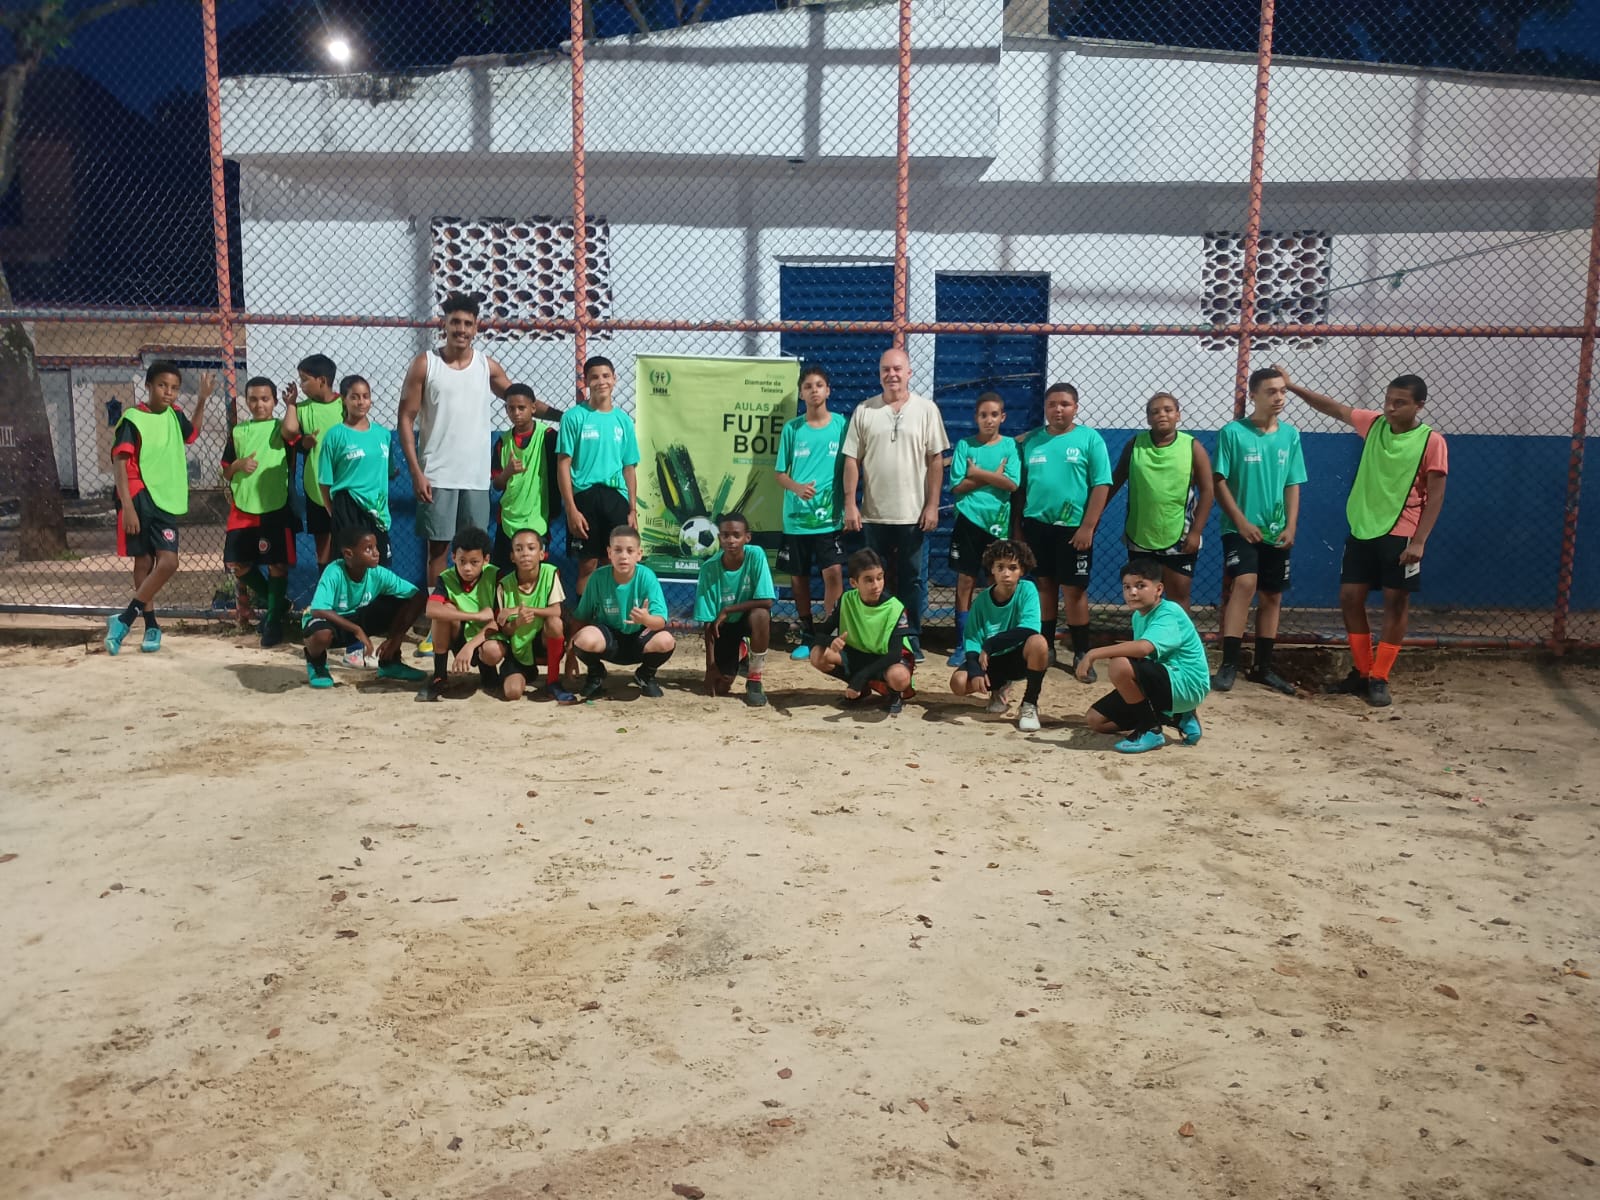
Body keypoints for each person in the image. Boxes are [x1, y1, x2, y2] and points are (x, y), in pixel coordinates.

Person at [1280, 364, 1448, 707]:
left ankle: (1380, 676)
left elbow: (1436, 495)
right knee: (1349, 597)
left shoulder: (1432, 442)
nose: (1390, 408)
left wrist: (1419, 541)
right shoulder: (1374, 424)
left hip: (1402, 530)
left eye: (1400, 403)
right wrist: (1293, 386)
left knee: (1395, 602)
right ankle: (1361, 670)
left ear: (1419, 406)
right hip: (1363, 527)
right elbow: (1333, 407)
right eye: (1388, 400)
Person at [398, 292, 560, 594]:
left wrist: (565, 416)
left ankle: (473, 609)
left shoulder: (487, 367)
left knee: (475, 550)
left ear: (476, 328)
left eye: (467, 323)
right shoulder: (426, 364)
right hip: (437, 475)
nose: (461, 329)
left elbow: (523, 399)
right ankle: (437, 613)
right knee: (438, 550)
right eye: (455, 322)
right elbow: (405, 419)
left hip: (475, 478)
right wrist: (416, 472)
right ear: (445, 325)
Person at [842, 347, 950, 661]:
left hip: (913, 515)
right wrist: (850, 504)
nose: (892, 374)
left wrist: (932, 505)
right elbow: (852, 460)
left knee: (912, 580)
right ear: (879, 374)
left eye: (897, 369)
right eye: (886, 369)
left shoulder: (927, 410)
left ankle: (910, 637)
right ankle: (880, 636)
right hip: (874, 515)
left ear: (909, 373)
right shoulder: (865, 410)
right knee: (876, 579)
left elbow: (936, 460)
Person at [104, 362, 213, 656]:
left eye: (174, 388)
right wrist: (127, 507)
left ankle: (124, 619)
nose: (169, 392)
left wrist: (202, 399)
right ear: (149, 386)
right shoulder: (132, 419)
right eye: (163, 385)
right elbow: (120, 464)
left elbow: (192, 434)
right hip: (138, 494)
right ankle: (151, 624)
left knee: (168, 562)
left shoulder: (175, 414)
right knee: (143, 561)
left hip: (164, 496)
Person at [1211, 367, 1307, 695]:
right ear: (1253, 395)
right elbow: (1219, 480)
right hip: (1240, 527)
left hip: (1276, 529)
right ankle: (1229, 664)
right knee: (1244, 583)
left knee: (1272, 594)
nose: (1279, 397)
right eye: (1271, 391)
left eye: (1282, 391)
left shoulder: (1290, 436)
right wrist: (1240, 521)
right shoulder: (1232, 433)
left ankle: (1263, 668)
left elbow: (1293, 483)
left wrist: (1291, 525)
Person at [1018, 382, 1111, 678]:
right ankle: (1046, 646)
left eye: (1065, 404)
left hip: (1073, 530)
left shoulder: (1090, 439)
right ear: (1045, 408)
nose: (1058, 409)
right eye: (1052, 404)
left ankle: (1081, 652)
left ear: (1076, 408)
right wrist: (1019, 529)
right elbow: (1020, 488)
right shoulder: (1032, 441)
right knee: (1044, 586)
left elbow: (1101, 485)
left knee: (1074, 590)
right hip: (1037, 527)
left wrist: (1088, 527)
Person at [1078, 558, 1208, 753]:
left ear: (1159, 589)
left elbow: (1143, 649)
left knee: (1119, 664)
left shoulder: (1169, 612)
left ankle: (1150, 729)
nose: (1132, 592)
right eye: (1127, 587)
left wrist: (1093, 653)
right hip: (1166, 683)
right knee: (1096, 720)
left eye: (1140, 586)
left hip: (1187, 684)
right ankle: (1176, 717)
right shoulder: (1138, 616)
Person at [1108, 392, 1213, 611]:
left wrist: (1196, 532)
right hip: (1141, 534)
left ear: (1178, 415)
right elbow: (1115, 481)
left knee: (1178, 596)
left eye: (1168, 410)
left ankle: (1177, 635)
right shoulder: (1135, 445)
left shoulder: (1192, 447)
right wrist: (1093, 516)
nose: (1162, 415)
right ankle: (1146, 633)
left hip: (1179, 534)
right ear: (1148, 418)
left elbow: (1207, 491)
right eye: (1155, 412)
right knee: (1141, 596)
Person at [774, 364, 847, 659]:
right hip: (797, 519)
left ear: (828, 390)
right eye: (808, 386)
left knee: (834, 573)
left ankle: (829, 633)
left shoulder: (841, 425)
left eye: (819, 385)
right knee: (799, 576)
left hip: (829, 518)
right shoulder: (792, 429)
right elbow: (780, 474)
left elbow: (852, 465)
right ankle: (806, 633)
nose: (814, 390)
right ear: (801, 394)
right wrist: (797, 487)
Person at [221, 376, 299, 648]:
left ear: (274, 401)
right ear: (247, 401)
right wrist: (238, 465)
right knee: (238, 564)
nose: (259, 404)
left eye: (265, 399)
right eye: (253, 399)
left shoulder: (281, 428)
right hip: (243, 506)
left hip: (274, 505)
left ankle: (274, 621)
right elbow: (226, 470)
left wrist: (291, 405)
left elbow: (292, 432)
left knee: (277, 565)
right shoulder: (238, 431)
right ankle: (278, 604)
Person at [946, 391, 1021, 666]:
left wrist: (977, 473)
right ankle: (962, 643)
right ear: (975, 418)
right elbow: (957, 486)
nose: (989, 420)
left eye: (994, 415)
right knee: (965, 581)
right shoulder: (965, 446)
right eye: (983, 415)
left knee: (996, 581)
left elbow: (1012, 484)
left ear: (1003, 417)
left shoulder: (1010, 446)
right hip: (968, 521)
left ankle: (994, 641)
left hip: (997, 525)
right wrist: (993, 476)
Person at [301, 528, 427, 689]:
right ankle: (316, 663)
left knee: (404, 601)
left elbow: (418, 596)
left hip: (357, 618)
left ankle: (390, 661)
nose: (376, 553)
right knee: (322, 634)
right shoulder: (334, 571)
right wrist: (357, 630)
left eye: (376, 547)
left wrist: (395, 639)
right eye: (368, 548)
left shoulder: (378, 573)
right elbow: (318, 610)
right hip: (330, 622)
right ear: (348, 554)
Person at [557, 356, 640, 595]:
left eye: (606, 376)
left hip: (616, 499)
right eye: (594, 377)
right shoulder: (573, 417)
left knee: (615, 563)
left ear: (614, 379)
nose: (601, 381)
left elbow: (629, 468)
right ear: (585, 381)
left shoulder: (623, 421)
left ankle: (612, 616)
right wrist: (571, 509)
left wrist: (632, 509)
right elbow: (563, 465)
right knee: (588, 566)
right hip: (585, 498)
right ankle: (585, 617)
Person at [947, 539, 1049, 733]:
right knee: (958, 683)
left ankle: (1029, 704)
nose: (1006, 573)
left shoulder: (1027, 590)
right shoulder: (982, 600)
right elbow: (972, 638)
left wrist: (991, 644)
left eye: (1013, 568)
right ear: (992, 569)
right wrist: (975, 669)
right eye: (1000, 567)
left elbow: (1029, 628)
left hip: (1018, 657)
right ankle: (999, 687)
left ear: (1022, 570)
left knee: (1039, 643)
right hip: (992, 660)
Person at [570, 525, 674, 699]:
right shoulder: (597, 578)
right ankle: (596, 674)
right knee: (583, 639)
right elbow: (581, 617)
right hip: (609, 639)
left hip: (638, 640)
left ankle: (645, 675)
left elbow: (661, 621)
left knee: (666, 640)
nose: (623, 556)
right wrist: (570, 655)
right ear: (609, 553)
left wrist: (646, 619)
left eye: (630, 551)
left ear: (639, 554)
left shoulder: (647, 576)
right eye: (618, 550)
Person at [808, 547, 915, 715]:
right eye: (868, 580)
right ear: (854, 583)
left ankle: (893, 694)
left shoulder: (895, 607)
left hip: (885, 659)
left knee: (900, 677)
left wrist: (860, 677)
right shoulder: (846, 600)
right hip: (857, 655)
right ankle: (863, 689)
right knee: (817, 654)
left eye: (879, 578)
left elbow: (894, 654)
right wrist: (831, 641)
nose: (876, 585)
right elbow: (819, 635)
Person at [695, 512, 776, 707]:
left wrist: (728, 609)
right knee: (721, 687)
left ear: (747, 537)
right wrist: (710, 667)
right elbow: (709, 623)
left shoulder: (755, 555)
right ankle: (742, 651)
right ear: (719, 537)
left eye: (736, 535)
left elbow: (767, 601)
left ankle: (754, 679)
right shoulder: (709, 568)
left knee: (761, 615)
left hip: (749, 619)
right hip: (726, 626)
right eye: (725, 535)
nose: (731, 540)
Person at [315, 375, 396, 567]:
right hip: (348, 508)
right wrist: (334, 512)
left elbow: (388, 471)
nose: (361, 402)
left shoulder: (383, 435)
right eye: (354, 397)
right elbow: (324, 482)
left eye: (365, 396)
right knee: (352, 568)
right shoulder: (334, 436)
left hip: (378, 512)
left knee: (379, 566)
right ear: (344, 399)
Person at [419, 526, 504, 701]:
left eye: (474, 562)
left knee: (493, 650)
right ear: (453, 558)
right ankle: (439, 676)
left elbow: (498, 621)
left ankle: (488, 672)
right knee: (443, 613)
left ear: (486, 559)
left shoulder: (496, 576)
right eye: (462, 561)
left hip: (485, 637)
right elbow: (431, 610)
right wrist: (476, 616)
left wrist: (470, 646)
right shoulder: (446, 577)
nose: (467, 568)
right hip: (459, 635)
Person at [492, 528, 573, 703]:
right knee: (512, 693)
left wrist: (520, 610)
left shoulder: (550, 573)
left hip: (542, 640)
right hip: (519, 648)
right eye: (518, 549)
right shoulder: (504, 585)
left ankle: (553, 681)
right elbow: (505, 630)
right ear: (512, 557)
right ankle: (523, 673)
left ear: (542, 554)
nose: (525, 554)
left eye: (531, 548)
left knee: (554, 623)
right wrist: (517, 623)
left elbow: (556, 611)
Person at [280, 352, 342, 568]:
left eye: (305, 380)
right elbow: (288, 432)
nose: (301, 385)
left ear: (322, 380)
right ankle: (324, 586)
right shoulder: (303, 408)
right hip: (315, 486)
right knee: (323, 544)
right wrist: (291, 404)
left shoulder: (344, 405)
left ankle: (350, 588)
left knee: (349, 543)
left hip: (345, 486)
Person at [490, 383, 558, 570]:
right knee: (504, 573)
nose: (516, 413)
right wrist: (507, 472)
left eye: (521, 408)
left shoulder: (548, 436)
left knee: (535, 572)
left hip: (537, 517)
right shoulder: (502, 442)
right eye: (511, 408)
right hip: (508, 519)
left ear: (533, 408)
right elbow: (497, 484)